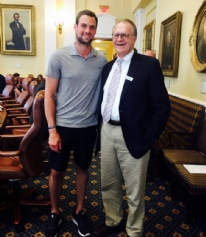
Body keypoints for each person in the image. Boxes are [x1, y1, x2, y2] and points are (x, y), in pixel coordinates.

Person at [94, 19, 170, 237]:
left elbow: (162, 108)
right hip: (107, 131)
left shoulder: (148, 65)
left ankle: (134, 229)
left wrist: (150, 136)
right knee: (108, 183)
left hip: (135, 136)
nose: (119, 39)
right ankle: (113, 219)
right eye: (116, 34)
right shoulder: (108, 67)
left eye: (125, 35)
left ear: (134, 38)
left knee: (135, 189)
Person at [44, 9, 107, 237]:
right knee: (56, 172)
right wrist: (52, 130)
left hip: (88, 128)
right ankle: (54, 212)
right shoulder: (58, 56)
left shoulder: (102, 60)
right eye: (83, 26)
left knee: (83, 169)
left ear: (95, 31)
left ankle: (79, 211)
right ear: (75, 27)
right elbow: (49, 96)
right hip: (61, 127)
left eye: (91, 27)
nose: (87, 30)